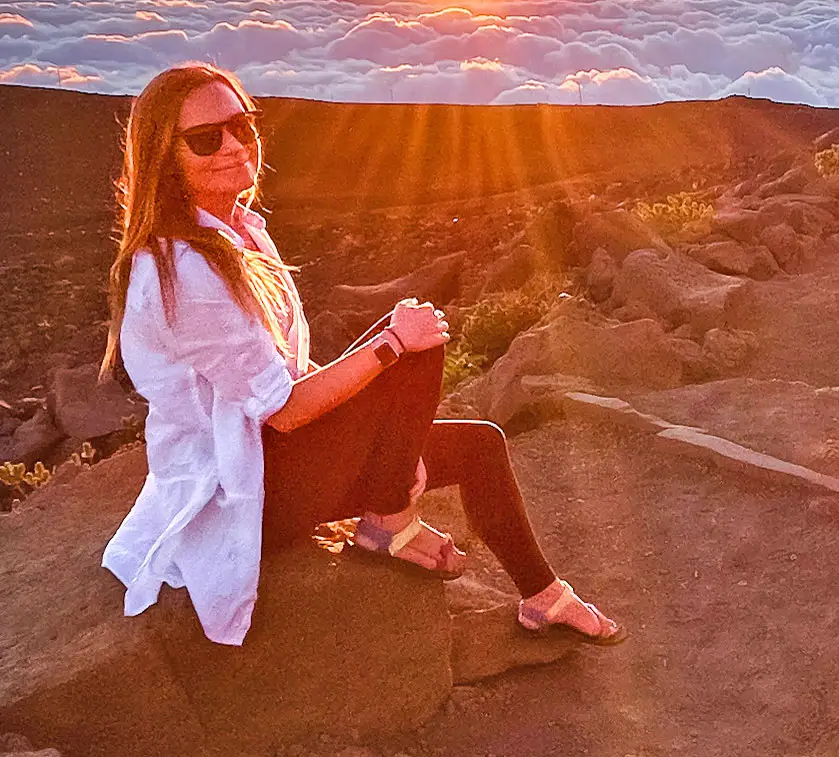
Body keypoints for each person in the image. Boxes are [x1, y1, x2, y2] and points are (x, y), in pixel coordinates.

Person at [99, 62, 624, 648]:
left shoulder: (237, 232)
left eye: (242, 126)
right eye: (205, 138)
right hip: (248, 487)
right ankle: (390, 517)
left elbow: (291, 383)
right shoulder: (182, 269)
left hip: (276, 455)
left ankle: (544, 596)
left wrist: (386, 422)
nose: (233, 146)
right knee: (409, 345)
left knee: (479, 442)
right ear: (162, 157)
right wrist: (391, 349)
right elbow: (286, 412)